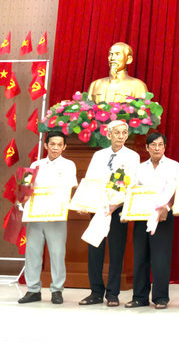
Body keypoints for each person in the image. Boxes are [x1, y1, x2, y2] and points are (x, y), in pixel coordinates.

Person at [80, 120, 140, 307]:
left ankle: (113, 293)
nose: (121, 136)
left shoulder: (133, 156)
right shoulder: (98, 155)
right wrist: (84, 202)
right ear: (108, 134)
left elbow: (132, 184)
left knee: (116, 251)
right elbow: (89, 180)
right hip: (98, 207)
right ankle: (96, 292)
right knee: (95, 249)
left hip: (118, 208)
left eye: (124, 133)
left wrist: (116, 205)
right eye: (117, 132)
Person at [17, 131, 78, 305]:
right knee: (32, 252)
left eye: (59, 144)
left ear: (64, 147)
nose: (56, 148)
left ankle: (57, 289)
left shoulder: (69, 165)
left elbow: (70, 188)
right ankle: (33, 289)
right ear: (46, 145)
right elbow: (26, 187)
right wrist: (23, 193)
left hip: (56, 215)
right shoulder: (35, 164)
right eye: (52, 144)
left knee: (57, 253)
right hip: (35, 215)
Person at [126, 132, 179, 309]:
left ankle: (161, 297)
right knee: (140, 256)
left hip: (162, 215)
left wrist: (167, 207)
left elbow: (177, 190)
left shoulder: (173, 166)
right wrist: (128, 212)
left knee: (161, 257)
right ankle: (139, 297)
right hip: (141, 215)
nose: (157, 148)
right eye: (153, 145)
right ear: (147, 148)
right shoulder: (140, 168)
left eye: (160, 145)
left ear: (165, 147)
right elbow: (132, 191)